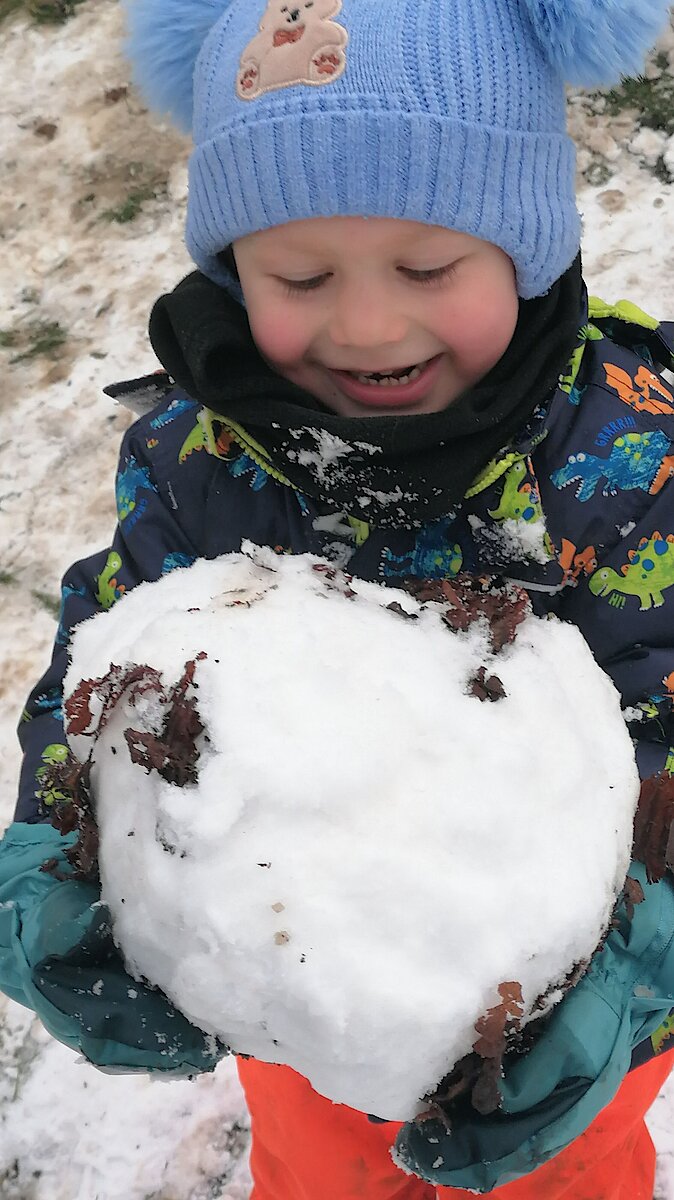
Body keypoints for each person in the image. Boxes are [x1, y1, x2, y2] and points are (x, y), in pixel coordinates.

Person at [2, 0, 674, 1195]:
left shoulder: (624, 466)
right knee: (323, 1170)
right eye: (299, 276)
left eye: (427, 267)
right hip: (306, 991)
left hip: (561, 1033)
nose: (365, 324)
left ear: (524, 246)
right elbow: (110, 654)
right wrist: (58, 846)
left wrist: (636, 974)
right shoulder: (198, 459)